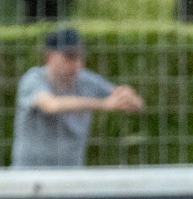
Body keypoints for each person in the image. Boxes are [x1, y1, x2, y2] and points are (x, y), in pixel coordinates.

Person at [12, 28, 144, 168]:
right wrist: (103, 104)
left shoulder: (87, 80)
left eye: (80, 56)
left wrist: (127, 95)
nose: (77, 63)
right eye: (69, 56)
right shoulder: (33, 79)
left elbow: (136, 104)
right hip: (31, 174)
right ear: (49, 56)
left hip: (71, 174)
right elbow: (52, 105)